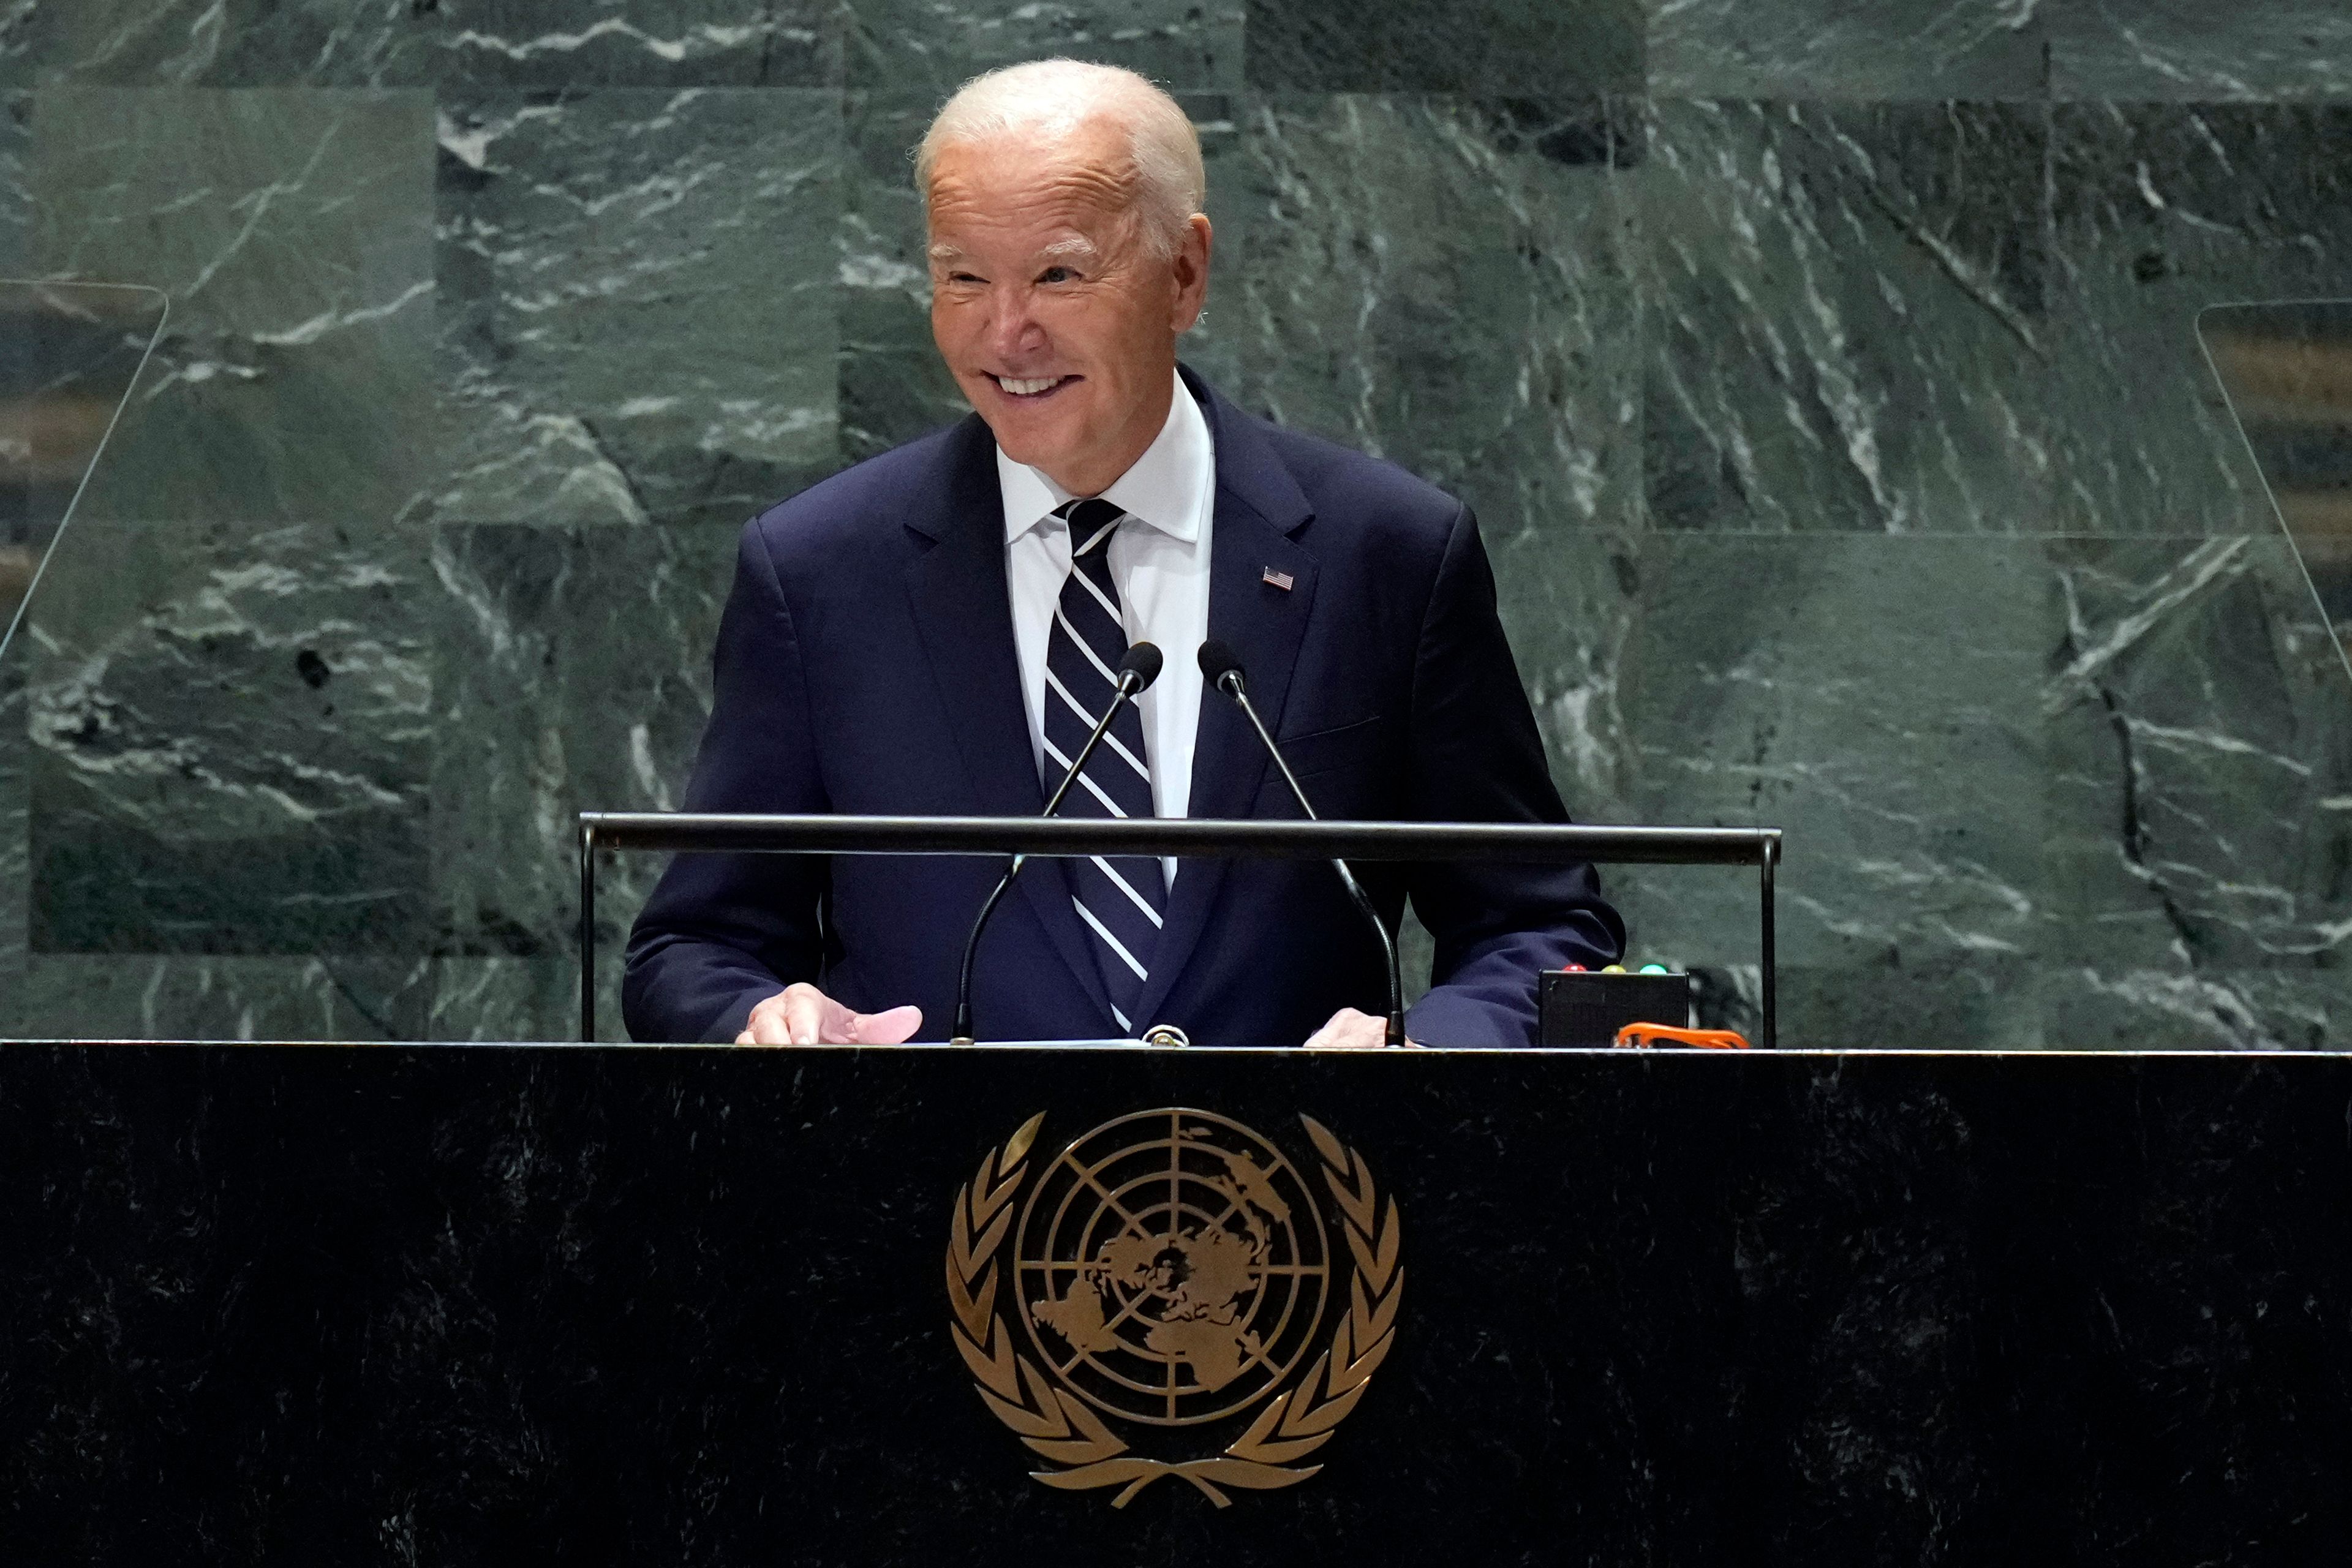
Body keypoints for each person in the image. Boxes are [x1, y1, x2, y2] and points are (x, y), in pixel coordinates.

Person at [622, 58, 1623, 1050]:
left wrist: (1426, 1046)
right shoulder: (818, 570)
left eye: (1059, 274)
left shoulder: (1386, 553)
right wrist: (762, 1019)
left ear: (1183, 275)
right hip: (941, 1200)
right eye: (963, 277)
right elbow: (698, 943)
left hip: (1301, 1195)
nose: (1006, 333)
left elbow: (1538, 927)